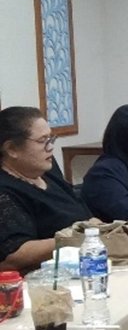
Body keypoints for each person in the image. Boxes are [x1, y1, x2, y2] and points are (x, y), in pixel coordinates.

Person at [0, 107, 91, 273]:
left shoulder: (48, 172)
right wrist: (73, 238)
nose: (51, 147)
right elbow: (13, 255)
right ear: (12, 149)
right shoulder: (4, 191)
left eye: (51, 138)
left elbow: (83, 214)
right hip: (42, 279)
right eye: (42, 141)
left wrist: (96, 228)